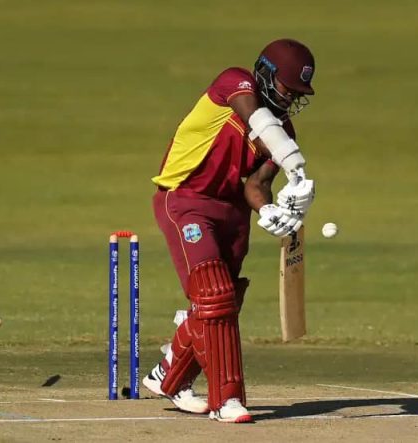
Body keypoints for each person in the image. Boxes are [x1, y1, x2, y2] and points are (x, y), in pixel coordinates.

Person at [142, 38, 317, 423]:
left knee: (224, 299)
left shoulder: (284, 131)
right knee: (213, 292)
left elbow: (256, 185)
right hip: (185, 197)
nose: (292, 98)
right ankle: (227, 400)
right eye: (288, 87)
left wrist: (270, 210)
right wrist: (296, 166)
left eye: (298, 93)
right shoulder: (235, 84)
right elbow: (257, 120)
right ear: (267, 75)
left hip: (232, 211)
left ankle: (169, 376)